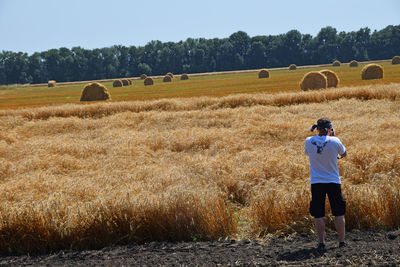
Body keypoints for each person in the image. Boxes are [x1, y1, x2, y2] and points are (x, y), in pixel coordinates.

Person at [304, 118, 347, 250]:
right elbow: (344, 154)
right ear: (329, 129)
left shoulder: (308, 141)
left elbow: (308, 153)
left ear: (317, 129)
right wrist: (332, 137)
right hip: (333, 181)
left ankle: (321, 242)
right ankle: (341, 242)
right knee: (339, 212)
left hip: (316, 182)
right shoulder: (335, 140)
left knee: (318, 214)